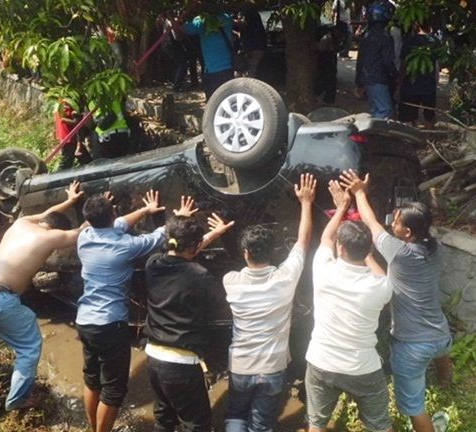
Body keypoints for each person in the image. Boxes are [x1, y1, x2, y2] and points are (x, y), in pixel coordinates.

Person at [340, 169, 452, 432]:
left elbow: (370, 222)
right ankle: (447, 383)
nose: (392, 224)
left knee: (414, 406)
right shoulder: (435, 248)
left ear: (408, 232)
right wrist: (368, 254)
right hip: (440, 334)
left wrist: (359, 193)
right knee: (442, 356)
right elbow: (390, 279)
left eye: (397, 222)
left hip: (412, 345)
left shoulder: (399, 252)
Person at [0, 180, 85, 411]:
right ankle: (17, 402)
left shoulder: (21, 223)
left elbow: (46, 213)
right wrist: (99, 212)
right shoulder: (50, 237)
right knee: (29, 348)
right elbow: (80, 233)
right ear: (55, 230)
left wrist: (69, 201)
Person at [223, 173, 316, 432]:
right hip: (273, 367)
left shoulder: (231, 282)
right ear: (273, 251)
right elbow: (303, 242)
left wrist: (218, 233)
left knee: (236, 415)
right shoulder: (285, 280)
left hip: (241, 365)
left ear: (245, 254)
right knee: (261, 424)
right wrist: (307, 203)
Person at [75, 188, 169, 432]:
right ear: (112, 211)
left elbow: (117, 224)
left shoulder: (84, 237)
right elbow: (159, 237)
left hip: (84, 321)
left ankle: (92, 426)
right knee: (114, 389)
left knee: (92, 379)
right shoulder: (125, 246)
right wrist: (177, 216)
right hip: (110, 324)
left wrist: (144, 210)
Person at [304, 179, 393, 432]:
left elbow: (326, 238)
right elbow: (380, 275)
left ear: (340, 249)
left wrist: (342, 207)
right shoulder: (381, 287)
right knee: (380, 426)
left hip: (321, 362)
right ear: (367, 249)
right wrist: (366, 252)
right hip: (363, 367)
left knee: (317, 424)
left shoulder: (322, 271)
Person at [143, 199, 235, 432]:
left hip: (153, 357)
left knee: (164, 417)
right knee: (196, 424)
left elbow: (183, 254)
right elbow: (222, 310)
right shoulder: (200, 275)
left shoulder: (153, 264)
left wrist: (212, 234)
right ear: (193, 247)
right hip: (181, 363)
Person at [175, 10, 235, 100]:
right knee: (228, 99)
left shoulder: (201, 21)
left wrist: (173, 18)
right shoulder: (226, 18)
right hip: (228, 67)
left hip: (212, 70)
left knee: (213, 102)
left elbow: (180, 29)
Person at [355, 3, 398, 119]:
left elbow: (360, 60)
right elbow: (387, 61)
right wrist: (395, 75)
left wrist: (359, 81)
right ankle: (377, 136)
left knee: (375, 109)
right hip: (379, 78)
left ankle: (373, 134)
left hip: (367, 79)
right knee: (385, 110)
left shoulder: (366, 36)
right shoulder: (385, 37)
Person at [398, 22, 440, 129]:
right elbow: (437, 65)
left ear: (416, 25)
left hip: (410, 85)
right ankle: (430, 137)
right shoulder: (435, 41)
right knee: (429, 115)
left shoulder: (409, 41)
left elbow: (404, 64)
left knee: (408, 115)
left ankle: (409, 139)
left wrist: (399, 84)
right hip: (428, 85)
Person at [55, 98, 92, 170]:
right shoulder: (67, 106)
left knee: (86, 161)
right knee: (66, 164)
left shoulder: (60, 106)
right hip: (69, 139)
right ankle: (57, 179)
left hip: (69, 138)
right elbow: (76, 122)